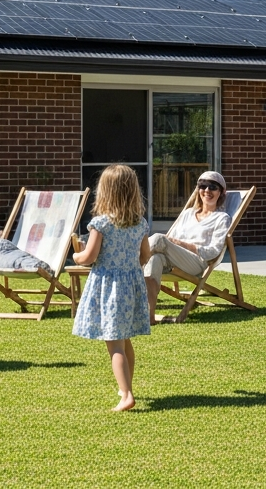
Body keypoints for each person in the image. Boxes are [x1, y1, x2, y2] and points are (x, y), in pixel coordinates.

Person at [71, 164, 153, 412]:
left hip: (109, 289)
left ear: (104, 192)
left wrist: (76, 257)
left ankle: (126, 394)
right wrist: (130, 266)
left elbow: (89, 256)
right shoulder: (140, 223)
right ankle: (125, 386)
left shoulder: (101, 224)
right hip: (131, 285)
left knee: (114, 342)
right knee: (125, 339)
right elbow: (145, 255)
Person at [142, 171, 231, 324]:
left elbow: (213, 252)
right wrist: (174, 244)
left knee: (158, 239)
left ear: (221, 192)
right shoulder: (188, 214)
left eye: (213, 187)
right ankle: (149, 317)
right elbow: (172, 240)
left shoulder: (222, 219)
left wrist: (182, 245)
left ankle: (127, 263)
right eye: (203, 186)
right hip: (174, 259)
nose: (207, 191)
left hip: (197, 262)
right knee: (154, 260)